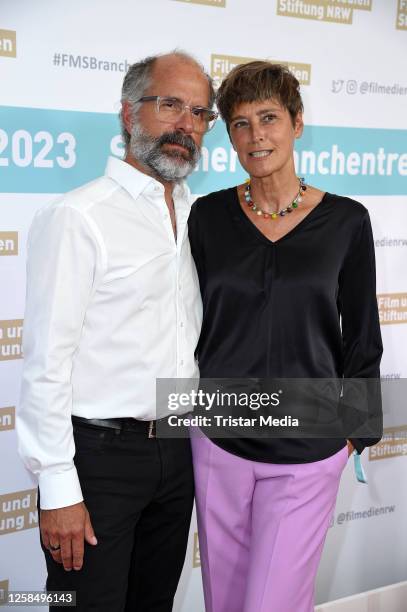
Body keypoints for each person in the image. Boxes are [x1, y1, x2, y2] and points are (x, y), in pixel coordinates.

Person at [17, 51, 217, 612]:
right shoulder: (79, 217)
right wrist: (58, 489)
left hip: (178, 454)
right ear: (129, 113)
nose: (185, 124)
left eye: (200, 112)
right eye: (170, 104)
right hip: (98, 462)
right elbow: (46, 363)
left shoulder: (199, 217)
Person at [188, 61, 383, 612]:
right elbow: (184, 319)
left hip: (306, 449)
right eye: (241, 124)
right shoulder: (206, 217)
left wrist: (354, 436)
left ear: (297, 123)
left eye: (269, 118)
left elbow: (362, 337)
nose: (256, 136)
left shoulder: (347, 222)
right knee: (222, 601)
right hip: (218, 442)